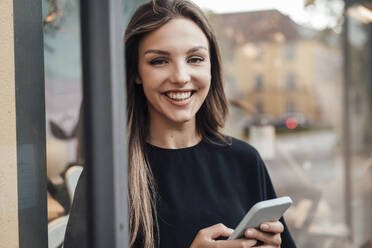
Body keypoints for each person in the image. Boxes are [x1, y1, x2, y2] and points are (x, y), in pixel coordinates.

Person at [64, 0, 297, 247]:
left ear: (212, 68)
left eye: (195, 59)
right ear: (136, 73)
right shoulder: (106, 177)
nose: (180, 77)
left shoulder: (245, 160)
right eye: (159, 61)